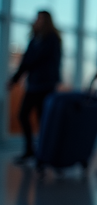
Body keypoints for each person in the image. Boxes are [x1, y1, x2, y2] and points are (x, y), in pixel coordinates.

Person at [8, 11, 62, 164]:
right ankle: (30, 150)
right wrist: (15, 79)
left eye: (39, 19)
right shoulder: (34, 40)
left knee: (42, 119)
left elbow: (35, 60)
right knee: (23, 115)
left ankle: (43, 152)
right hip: (33, 85)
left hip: (46, 85)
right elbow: (26, 61)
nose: (36, 21)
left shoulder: (51, 39)